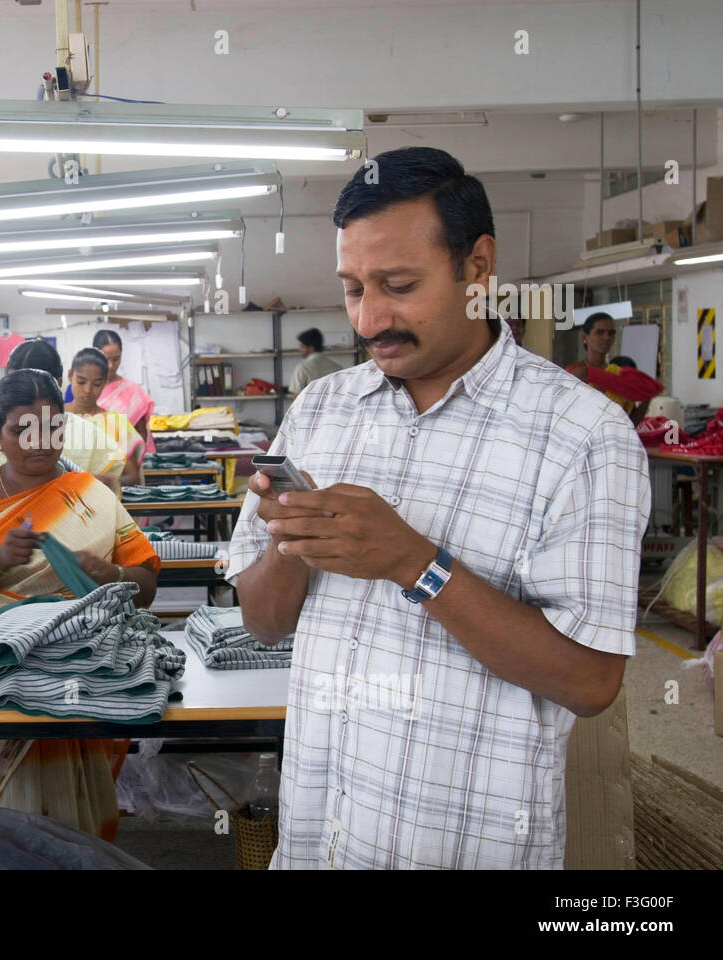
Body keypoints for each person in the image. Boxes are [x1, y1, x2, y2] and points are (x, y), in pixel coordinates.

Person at [227, 146, 649, 869]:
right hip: (317, 838)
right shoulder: (324, 409)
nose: (370, 319)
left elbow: (589, 682)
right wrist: (288, 543)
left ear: (478, 267)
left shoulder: (582, 435)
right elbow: (263, 624)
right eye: (353, 288)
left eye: (398, 284)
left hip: (460, 846)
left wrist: (413, 562)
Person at [0, 368, 160, 839]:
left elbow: (147, 584)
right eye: (21, 430)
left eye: (52, 428)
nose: (38, 443)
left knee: (77, 817)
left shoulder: (93, 495)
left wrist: (110, 573)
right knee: (4, 821)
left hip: (80, 672)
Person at [0, 339, 124, 490]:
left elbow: (112, 488)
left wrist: (87, 487)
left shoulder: (89, 433)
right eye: (17, 386)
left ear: (58, 383)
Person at [66, 347, 144, 485]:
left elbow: (133, 477)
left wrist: (106, 481)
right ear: (70, 376)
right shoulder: (55, 420)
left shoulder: (115, 424)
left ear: (105, 383)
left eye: (96, 384)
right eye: (81, 382)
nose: (87, 390)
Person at [565, 313, 650, 424]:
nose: (606, 337)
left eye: (611, 333)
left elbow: (629, 423)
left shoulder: (618, 374)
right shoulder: (574, 373)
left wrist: (646, 400)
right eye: (600, 332)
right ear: (585, 337)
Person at [90, 329, 156, 455]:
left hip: (128, 462)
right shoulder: (85, 389)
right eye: (106, 359)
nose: (111, 365)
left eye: (116, 359)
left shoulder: (133, 392)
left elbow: (142, 434)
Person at [286, 327, 342, 397]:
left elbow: (296, 396)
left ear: (311, 347)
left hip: (309, 407)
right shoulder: (337, 367)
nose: (300, 349)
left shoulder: (302, 368)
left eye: (302, 346)